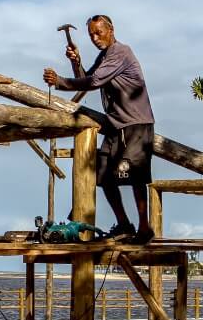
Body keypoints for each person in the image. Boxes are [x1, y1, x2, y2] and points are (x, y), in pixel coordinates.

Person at [42, 15, 154, 240]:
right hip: (115, 125)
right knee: (103, 175)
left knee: (136, 177)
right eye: (91, 34)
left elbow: (93, 82)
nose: (94, 38)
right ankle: (124, 225)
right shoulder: (105, 57)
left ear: (111, 30)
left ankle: (144, 228)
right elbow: (86, 78)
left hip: (135, 124)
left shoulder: (121, 52)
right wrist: (76, 62)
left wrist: (59, 81)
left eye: (98, 33)